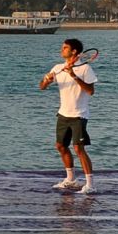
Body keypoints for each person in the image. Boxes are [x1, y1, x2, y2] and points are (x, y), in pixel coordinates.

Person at [38, 37, 97, 194]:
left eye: (64, 48)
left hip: (79, 115)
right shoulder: (58, 67)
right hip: (63, 114)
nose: (61, 50)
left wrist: (74, 75)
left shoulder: (85, 69)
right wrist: (47, 80)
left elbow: (91, 91)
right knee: (60, 146)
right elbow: (41, 87)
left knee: (78, 148)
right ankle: (70, 179)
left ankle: (90, 184)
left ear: (74, 51)